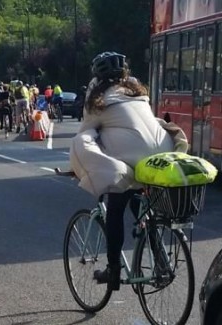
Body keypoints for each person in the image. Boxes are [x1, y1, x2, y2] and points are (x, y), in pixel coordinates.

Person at [69, 52, 183, 290]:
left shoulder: (97, 100)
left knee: (116, 208)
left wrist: (83, 165)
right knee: (141, 205)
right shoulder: (137, 92)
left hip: (133, 160)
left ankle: (113, 270)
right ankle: (161, 261)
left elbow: (87, 133)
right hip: (161, 153)